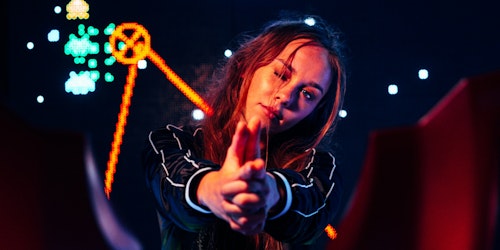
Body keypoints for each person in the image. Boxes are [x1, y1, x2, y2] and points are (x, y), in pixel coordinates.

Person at [142, 14, 347, 250]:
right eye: (281, 74)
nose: (286, 97)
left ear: (314, 112)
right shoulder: (170, 142)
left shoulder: (321, 168)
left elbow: (310, 209)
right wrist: (217, 188)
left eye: (308, 94)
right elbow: (174, 183)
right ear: (246, 68)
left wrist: (269, 191)